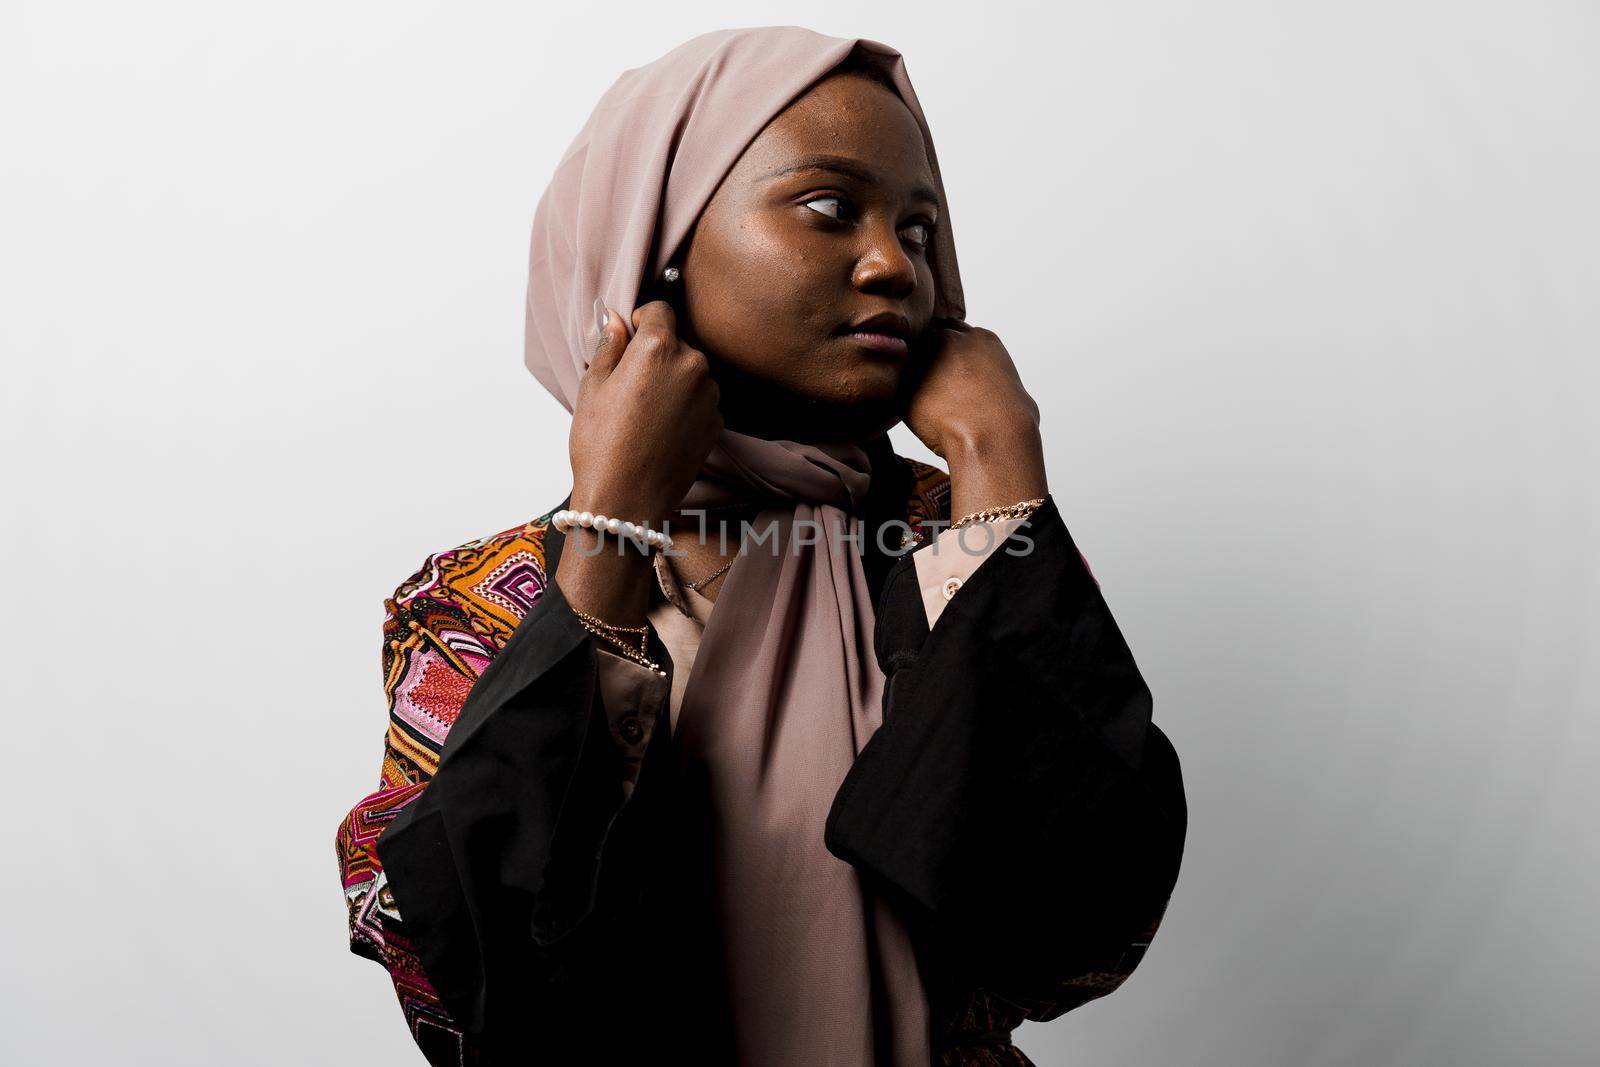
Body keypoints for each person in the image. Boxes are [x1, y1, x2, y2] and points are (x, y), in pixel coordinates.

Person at [334, 26, 1187, 1067]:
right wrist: (608, 528)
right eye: (830, 208)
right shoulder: (475, 603)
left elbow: (1072, 937)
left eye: (921, 231)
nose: (892, 264)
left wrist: (1001, 460)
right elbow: (479, 997)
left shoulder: (964, 540)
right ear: (658, 250)